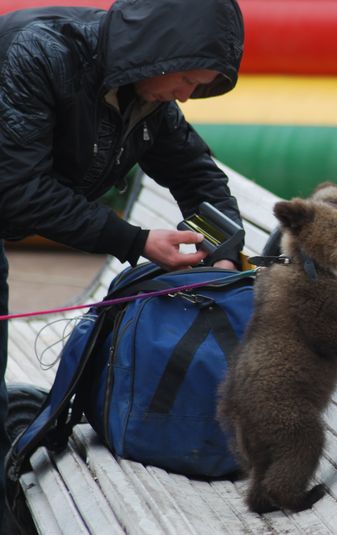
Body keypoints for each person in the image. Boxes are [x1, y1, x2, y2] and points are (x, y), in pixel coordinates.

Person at [0, 0, 245, 527]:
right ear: (156, 51)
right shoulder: (40, 53)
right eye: (184, 78)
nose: (186, 94)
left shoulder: (146, 94)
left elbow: (197, 176)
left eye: (197, 87)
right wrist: (135, 240)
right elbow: (16, 190)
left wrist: (221, 257)